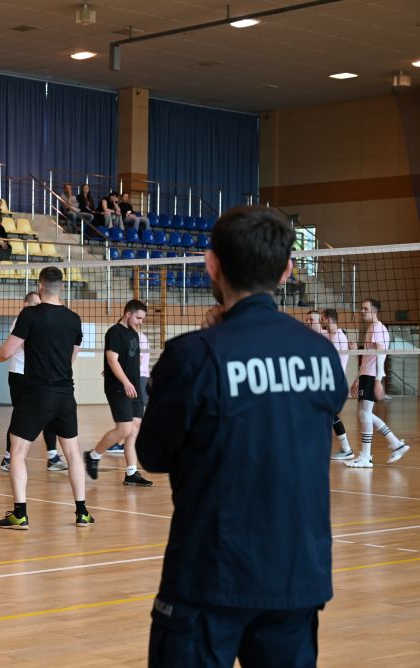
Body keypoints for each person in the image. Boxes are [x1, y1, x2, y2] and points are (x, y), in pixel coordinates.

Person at [136, 206, 347, 667]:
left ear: (211, 264)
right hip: (296, 575)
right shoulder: (322, 355)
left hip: (210, 573)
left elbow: (152, 454)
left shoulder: (193, 355)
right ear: (287, 270)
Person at [0, 266, 90, 530]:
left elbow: (7, 352)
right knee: (72, 453)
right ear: (62, 287)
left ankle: (20, 514)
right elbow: (72, 357)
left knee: (18, 451)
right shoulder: (74, 319)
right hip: (65, 393)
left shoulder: (30, 314)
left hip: (36, 392)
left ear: (40, 286)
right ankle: (82, 513)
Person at [84, 300, 154, 487]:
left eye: (142, 319)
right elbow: (112, 359)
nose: (140, 322)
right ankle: (93, 455)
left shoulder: (134, 334)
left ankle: (131, 473)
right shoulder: (114, 332)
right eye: (138, 318)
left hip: (134, 387)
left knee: (134, 429)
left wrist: (132, 382)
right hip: (119, 387)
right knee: (124, 429)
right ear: (128, 314)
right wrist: (125, 381)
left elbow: (128, 360)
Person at [0, 291, 67, 473]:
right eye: (35, 304)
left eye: (40, 303)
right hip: (20, 374)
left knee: (49, 413)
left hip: (38, 376)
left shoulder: (39, 319)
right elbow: (25, 346)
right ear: (25, 304)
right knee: (20, 416)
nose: (39, 307)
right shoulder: (22, 320)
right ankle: (8, 457)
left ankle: (52, 456)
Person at [345, 298, 409, 468]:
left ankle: (366, 457)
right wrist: (357, 379)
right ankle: (396, 444)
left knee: (364, 414)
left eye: (365, 309)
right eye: (362, 308)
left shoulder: (378, 328)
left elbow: (381, 355)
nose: (362, 311)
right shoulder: (372, 328)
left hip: (372, 376)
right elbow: (368, 357)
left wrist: (378, 380)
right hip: (366, 375)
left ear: (375, 310)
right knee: (365, 413)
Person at [321, 308, 355, 460]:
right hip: (331, 381)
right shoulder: (332, 334)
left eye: (322, 319)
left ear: (328, 319)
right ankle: (346, 448)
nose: (320, 321)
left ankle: (346, 449)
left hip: (334, 381)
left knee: (328, 413)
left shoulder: (338, 337)